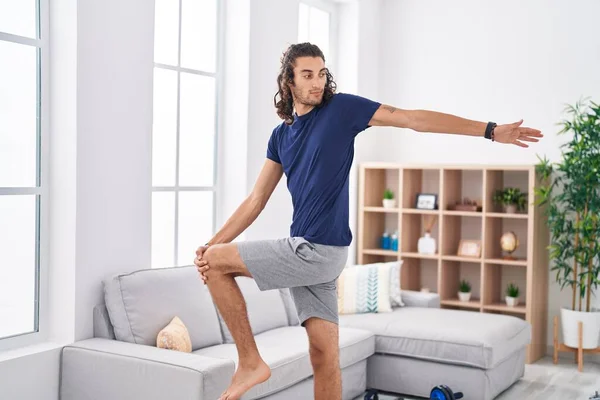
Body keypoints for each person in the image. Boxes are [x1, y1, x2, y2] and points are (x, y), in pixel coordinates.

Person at [193, 42, 543, 400]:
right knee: (324, 355)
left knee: (217, 264)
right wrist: (210, 244)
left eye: (322, 73)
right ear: (289, 82)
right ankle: (250, 353)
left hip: (315, 252)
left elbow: (412, 119)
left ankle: (250, 362)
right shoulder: (281, 136)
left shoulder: (342, 109)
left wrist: (489, 130)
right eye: (307, 75)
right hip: (317, 257)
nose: (317, 82)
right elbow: (256, 200)